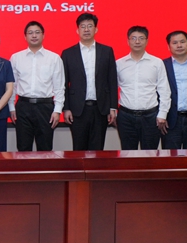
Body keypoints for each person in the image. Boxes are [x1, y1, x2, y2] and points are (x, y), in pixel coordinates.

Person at [60, 14, 118, 151]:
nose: (86, 30)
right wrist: (66, 108)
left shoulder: (107, 51)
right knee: (78, 149)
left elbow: (112, 80)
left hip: (100, 109)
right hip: (77, 110)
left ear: (96, 29)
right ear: (77, 30)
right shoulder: (68, 53)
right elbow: (63, 84)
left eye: (90, 26)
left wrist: (112, 107)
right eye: (83, 26)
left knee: (98, 149)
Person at [10, 21, 65, 151]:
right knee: (23, 148)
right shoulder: (16, 58)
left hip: (45, 107)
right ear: (25, 36)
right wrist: (11, 107)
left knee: (45, 148)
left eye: (37, 32)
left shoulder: (54, 58)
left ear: (43, 35)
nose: (34, 36)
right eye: (30, 33)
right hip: (23, 106)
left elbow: (59, 87)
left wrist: (57, 110)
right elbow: (12, 86)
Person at [116, 26, 171, 150]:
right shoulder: (119, 64)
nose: (137, 41)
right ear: (128, 41)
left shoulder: (157, 63)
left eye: (141, 38)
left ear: (147, 41)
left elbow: (164, 90)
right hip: (126, 117)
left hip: (151, 117)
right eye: (133, 38)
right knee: (128, 154)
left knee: (150, 155)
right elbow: (111, 89)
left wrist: (162, 114)